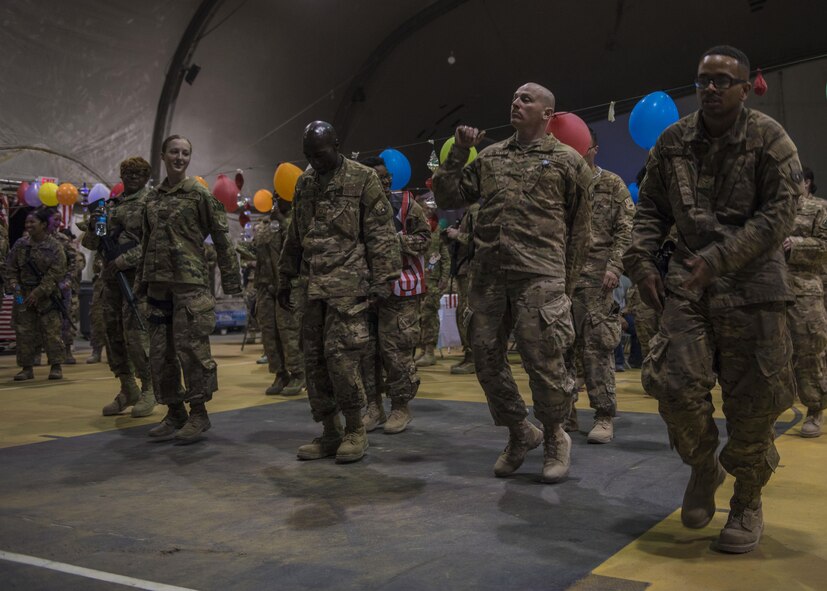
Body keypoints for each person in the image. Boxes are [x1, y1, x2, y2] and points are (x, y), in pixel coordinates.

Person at [623, 45, 801, 554]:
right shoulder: (673, 142)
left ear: (746, 88)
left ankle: (746, 499)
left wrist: (720, 258)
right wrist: (640, 264)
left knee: (754, 405)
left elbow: (779, 216)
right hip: (688, 284)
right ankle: (704, 466)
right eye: (704, 79)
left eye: (723, 80)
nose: (711, 88)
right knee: (674, 386)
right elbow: (650, 210)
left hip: (754, 287)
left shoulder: (770, 140)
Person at [433, 82, 592, 483]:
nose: (516, 103)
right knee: (485, 360)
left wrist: (565, 286)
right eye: (515, 98)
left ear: (547, 114)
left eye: (527, 99)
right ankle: (521, 432)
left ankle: (556, 435)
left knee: (545, 365)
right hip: (489, 278)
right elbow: (450, 195)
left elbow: (580, 230)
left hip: (540, 277)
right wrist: (454, 153)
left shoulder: (567, 161)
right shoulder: (490, 157)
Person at [278, 121, 400, 464]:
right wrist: (285, 276)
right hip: (312, 288)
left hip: (349, 289)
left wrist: (383, 282)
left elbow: (381, 234)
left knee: (343, 360)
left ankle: (355, 430)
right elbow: (296, 233)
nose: (315, 161)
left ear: (336, 144)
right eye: (309, 156)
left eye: (320, 154)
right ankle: (330, 430)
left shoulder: (363, 179)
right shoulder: (304, 183)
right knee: (314, 362)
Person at [135, 135, 242, 443]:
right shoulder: (152, 199)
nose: (179, 157)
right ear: (163, 155)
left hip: (189, 285)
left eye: (185, 153)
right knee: (160, 353)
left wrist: (231, 282)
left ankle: (198, 414)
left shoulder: (198, 194)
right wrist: (142, 283)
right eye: (174, 152)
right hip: (158, 287)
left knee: (192, 351)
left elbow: (221, 236)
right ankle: (174, 412)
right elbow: (146, 244)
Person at [566, 128, 633, 443]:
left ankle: (604, 416)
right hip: (564, 278)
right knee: (561, 348)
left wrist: (615, 265)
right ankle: (563, 416)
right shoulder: (562, 185)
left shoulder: (612, 184)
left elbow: (626, 228)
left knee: (597, 348)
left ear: (593, 148)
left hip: (599, 279)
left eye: (580, 147)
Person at [359, 156, 430, 433]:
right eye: (378, 178)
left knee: (395, 350)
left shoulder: (404, 205)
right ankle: (373, 407)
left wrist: (395, 241)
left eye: (386, 177)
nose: (385, 182)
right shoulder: (358, 209)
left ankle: (401, 407)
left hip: (400, 289)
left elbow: (425, 239)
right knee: (367, 352)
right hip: (366, 290)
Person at [83, 156, 155, 418]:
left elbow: (154, 242)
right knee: (112, 336)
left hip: (136, 282)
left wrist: (126, 259)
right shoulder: (110, 207)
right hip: (111, 283)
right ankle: (127, 387)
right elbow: (92, 243)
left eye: (139, 174)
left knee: (137, 336)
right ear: (122, 176)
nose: (133, 177)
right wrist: (95, 222)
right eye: (128, 173)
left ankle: (149, 388)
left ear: (146, 177)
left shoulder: (151, 203)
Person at [237, 197, 305, 396]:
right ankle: (280, 373)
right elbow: (256, 249)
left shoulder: (297, 219)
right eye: (276, 196)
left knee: (289, 332)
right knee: (269, 332)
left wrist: (282, 222)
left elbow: (296, 245)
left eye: (283, 195)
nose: (278, 200)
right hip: (265, 286)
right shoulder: (265, 224)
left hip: (288, 286)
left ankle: (298, 373)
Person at [783, 166, 827, 437]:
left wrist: (796, 243)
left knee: (810, 350)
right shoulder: (772, 209)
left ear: (807, 182)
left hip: (805, 290)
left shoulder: (819, 208)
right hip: (770, 289)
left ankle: (814, 409)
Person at [4, 207, 67, 380]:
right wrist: (16, 289)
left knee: (51, 332)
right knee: (23, 332)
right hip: (21, 294)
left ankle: (56, 366)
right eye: (27, 222)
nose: (28, 225)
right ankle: (26, 368)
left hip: (46, 296)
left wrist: (38, 293)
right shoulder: (20, 245)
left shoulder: (54, 246)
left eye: (33, 222)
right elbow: (10, 268)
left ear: (44, 224)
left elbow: (57, 272)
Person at [414, 194, 450, 367]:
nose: (428, 210)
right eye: (425, 208)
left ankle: (429, 351)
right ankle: (421, 350)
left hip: (432, 280)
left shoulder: (437, 230)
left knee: (429, 316)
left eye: (430, 208)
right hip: (416, 280)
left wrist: (444, 278)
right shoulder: (415, 229)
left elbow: (445, 257)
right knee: (418, 317)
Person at [444, 202, 480, 374]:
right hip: (463, 270)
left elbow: (479, 239)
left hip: (471, 272)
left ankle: (474, 357)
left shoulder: (475, 211)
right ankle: (470, 355)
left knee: (467, 315)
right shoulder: (468, 212)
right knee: (463, 314)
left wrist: (458, 235)